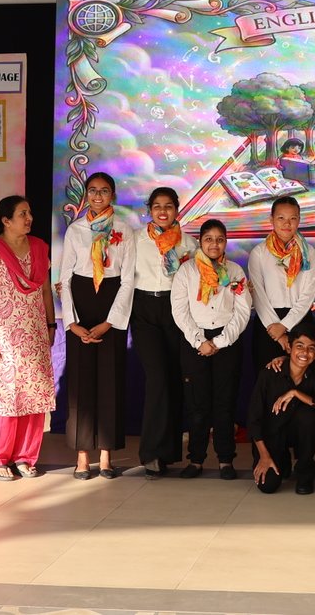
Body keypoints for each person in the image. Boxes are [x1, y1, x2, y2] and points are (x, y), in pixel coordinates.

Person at [109, 186, 196, 477]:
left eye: (168, 206)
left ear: (177, 210)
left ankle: (169, 452)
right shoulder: (135, 239)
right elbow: (118, 272)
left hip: (175, 310)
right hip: (143, 310)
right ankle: (152, 454)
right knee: (157, 378)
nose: (162, 211)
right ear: (149, 210)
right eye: (157, 206)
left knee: (173, 379)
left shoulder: (189, 243)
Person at [0, 196, 55, 481]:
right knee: (5, 399)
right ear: (6, 221)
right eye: (22, 214)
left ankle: (25, 456)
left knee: (33, 397)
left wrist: (51, 324)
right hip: (3, 339)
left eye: (29, 212)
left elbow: (45, 291)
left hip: (35, 336)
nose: (29, 218)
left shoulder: (40, 248)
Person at [55, 172, 130, 479]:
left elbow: (128, 280)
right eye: (93, 190)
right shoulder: (76, 229)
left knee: (110, 382)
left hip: (111, 304)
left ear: (113, 195)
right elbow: (65, 277)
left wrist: (110, 322)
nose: (98, 196)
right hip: (82, 303)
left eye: (105, 191)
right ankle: (83, 456)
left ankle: (107, 455)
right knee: (81, 385)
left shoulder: (124, 229)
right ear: (86, 195)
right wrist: (72, 323)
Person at [170, 219, 252, 479]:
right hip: (195, 340)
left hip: (227, 341)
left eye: (219, 239)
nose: (214, 244)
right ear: (200, 242)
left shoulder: (235, 271)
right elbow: (179, 310)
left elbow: (242, 311)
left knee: (224, 403)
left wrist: (219, 342)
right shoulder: (187, 271)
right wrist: (199, 341)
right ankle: (196, 459)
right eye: (208, 239)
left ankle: (226, 459)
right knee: (197, 404)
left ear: (225, 242)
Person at [246, 326, 315, 494]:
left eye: (311, 348)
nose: (305, 352)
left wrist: (296, 393)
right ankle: (282, 460)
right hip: (271, 437)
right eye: (299, 346)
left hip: (298, 434)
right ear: (289, 348)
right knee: (268, 485)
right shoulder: (269, 373)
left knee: (307, 416)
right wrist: (264, 456)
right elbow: (253, 420)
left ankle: (305, 471)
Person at [248, 196, 315, 365]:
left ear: (299, 220)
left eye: (293, 218)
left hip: (301, 321)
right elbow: (258, 295)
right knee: (268, 375)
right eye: (281, 218)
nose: (287, 224)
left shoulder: (308, 252)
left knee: (302, 375)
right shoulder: (259, 253)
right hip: (268, 324)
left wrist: (285, 326)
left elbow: (308, 294)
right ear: (271, 219)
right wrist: (278, 332)